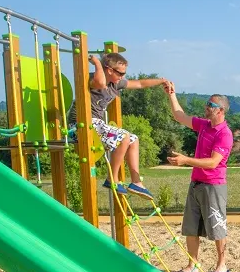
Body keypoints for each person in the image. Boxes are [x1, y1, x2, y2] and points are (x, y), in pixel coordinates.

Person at [66, 53, 166, 199]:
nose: (122, 76)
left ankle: (136, 182)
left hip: (95, 124)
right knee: (123, 137)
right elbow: (100, 83)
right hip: (80, 125)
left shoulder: (116, 83)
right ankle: (111, 178)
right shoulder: (93, 78)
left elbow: (139, 84)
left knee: (133, 139)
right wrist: (97, 63)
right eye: (120, 73)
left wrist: (161, 81)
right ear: (109, 70)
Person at [162, 81, 232, 272]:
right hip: (196, 184)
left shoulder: (224, 134)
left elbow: (213, 163)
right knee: (190, 227)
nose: (206, 107)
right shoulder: (203, 125)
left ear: (221, 111)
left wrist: (185, 160)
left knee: (217, 227)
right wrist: (171, 94)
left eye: (211, 105)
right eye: (207, 104)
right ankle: (192, 264)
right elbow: (179, 115)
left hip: (214, 186)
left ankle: (221, 264)